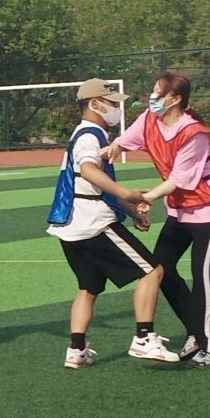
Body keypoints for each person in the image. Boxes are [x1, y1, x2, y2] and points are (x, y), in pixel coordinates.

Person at [46, 79, 180, 369]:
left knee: (89, 286)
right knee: (152, 271)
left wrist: (131, 211)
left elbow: (94, 183)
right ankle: (144, 338)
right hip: (93, 222)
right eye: (111, 103)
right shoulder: (90, 135)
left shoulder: (83, 133)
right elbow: (89, 171)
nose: (116, 108)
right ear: (94, 104)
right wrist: (126, 194)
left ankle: (76, 350)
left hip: (71, 225)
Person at [107, 72, 210, 368]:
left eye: (157, 92)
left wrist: (148, 197)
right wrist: (105, 150)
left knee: (204, 274)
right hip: (180, 208)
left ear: (175, 99)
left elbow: (180, 178)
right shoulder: (149, 119)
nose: (151, 97)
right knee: (160, 268)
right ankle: (196, 332)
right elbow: (124, 142)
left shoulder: (194, 133)